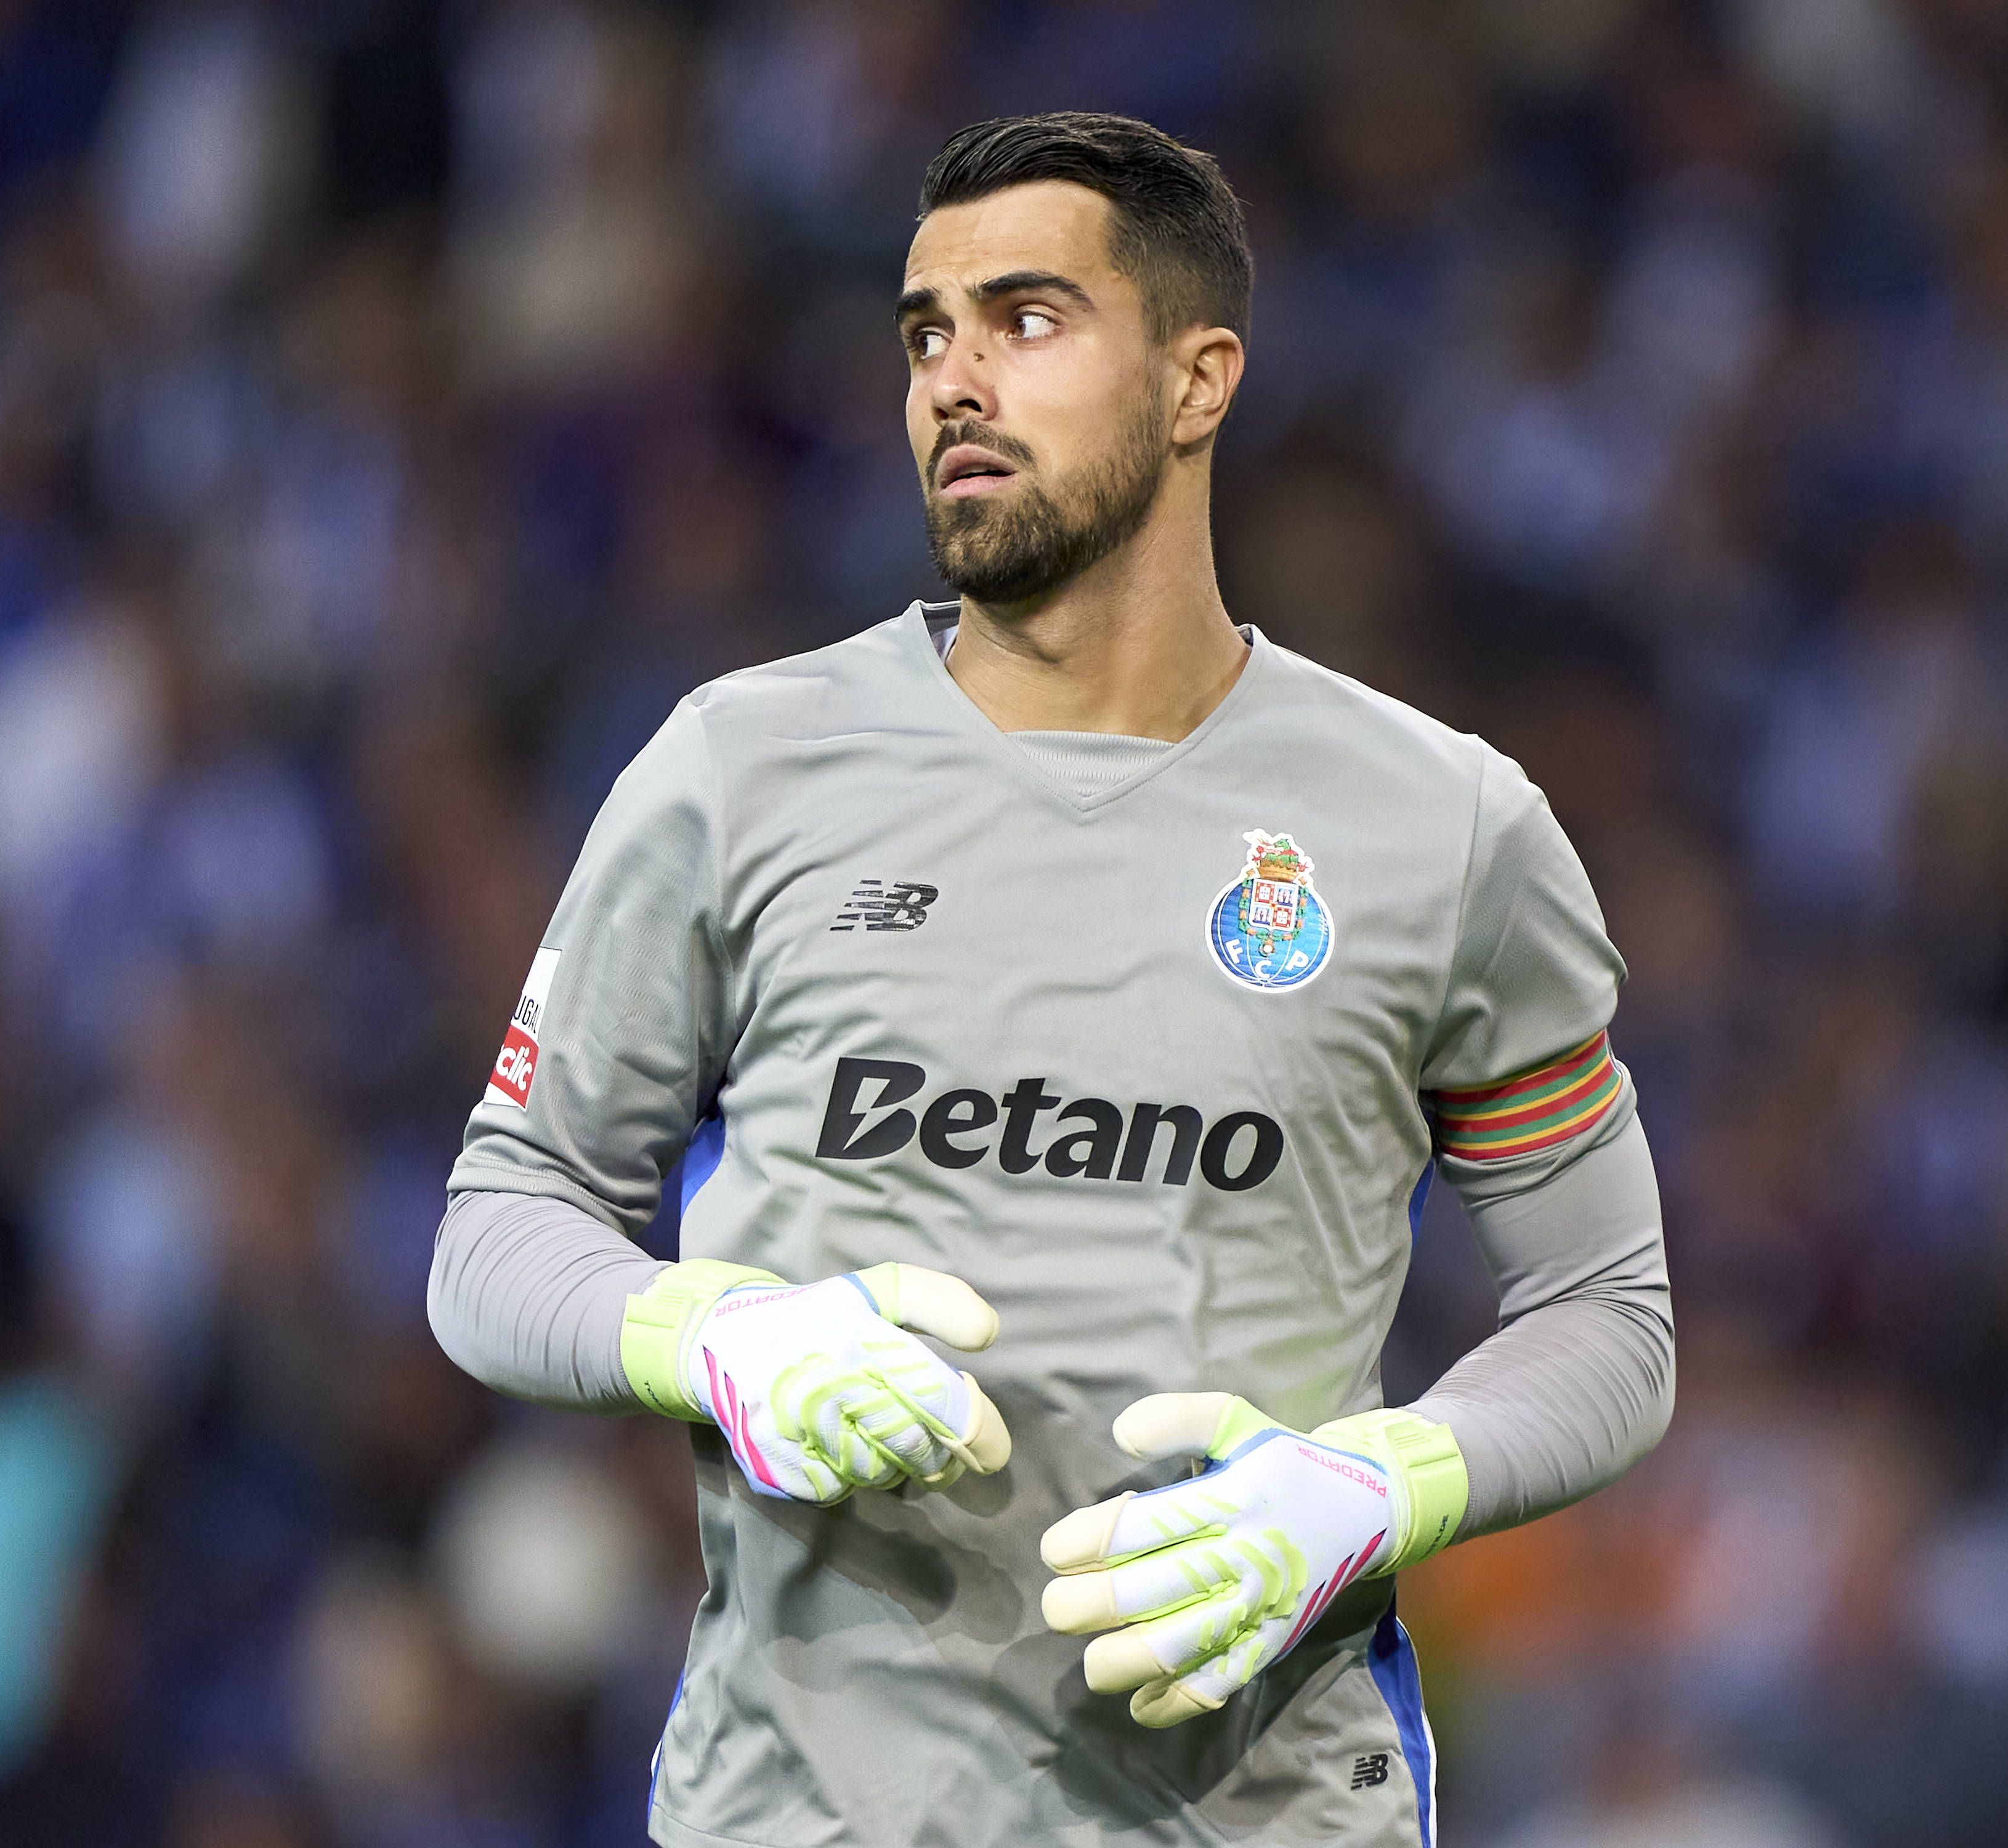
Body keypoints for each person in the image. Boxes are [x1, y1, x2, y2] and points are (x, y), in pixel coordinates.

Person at [427, 111, 1671, 1848]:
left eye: (1027, 320)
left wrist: (1373, 1485)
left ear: (1196, 381)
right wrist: (714, 1337)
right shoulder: (737, 770)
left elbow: (1607, 1314)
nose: (953, 379)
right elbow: (500, 1224)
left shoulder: (1442, 828)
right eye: (925, 333)